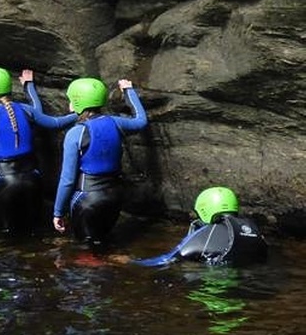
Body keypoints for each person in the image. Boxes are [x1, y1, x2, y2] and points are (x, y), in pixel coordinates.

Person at [0, 63, 78, 234]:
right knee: (33, 231)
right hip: (33, 179)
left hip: (4, 182)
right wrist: (80, 112)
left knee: (6, 237)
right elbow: (55, 123)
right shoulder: (26, 110)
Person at [52, 77, 148, 245]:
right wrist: (129, 90)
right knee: (103, 246)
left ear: (78, 102)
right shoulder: (115, 122)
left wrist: (58, 212)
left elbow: (67, 180)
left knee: (85, 254)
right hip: (114, 197)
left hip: (87, 199)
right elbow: (141, 121)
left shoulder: (76, 133)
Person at [132, 186, 268, 267]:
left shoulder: (208, 232)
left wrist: (131, 262)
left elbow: (169, 259)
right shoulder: (253, 230)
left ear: (204, 210)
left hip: (216, 286)